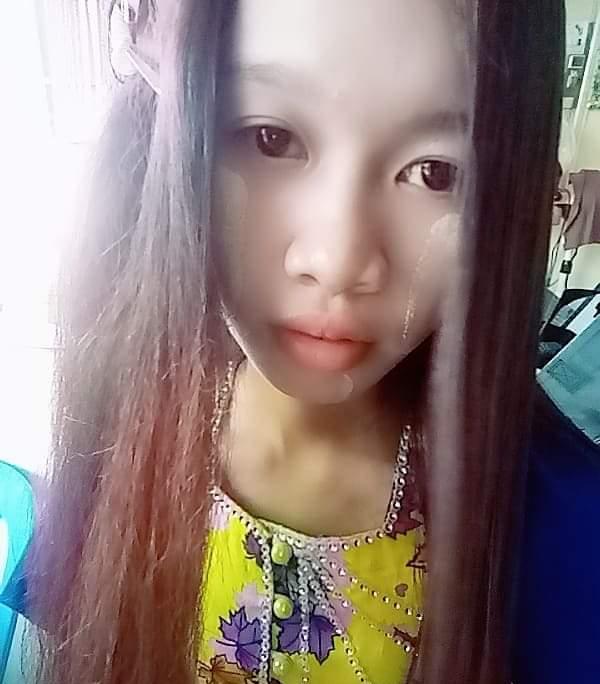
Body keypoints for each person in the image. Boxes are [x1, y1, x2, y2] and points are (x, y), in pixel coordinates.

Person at [12, 1, 564, 683]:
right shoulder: (116, 416)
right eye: (271, 138)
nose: (337, 262)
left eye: (437, 173)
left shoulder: (554, 539)